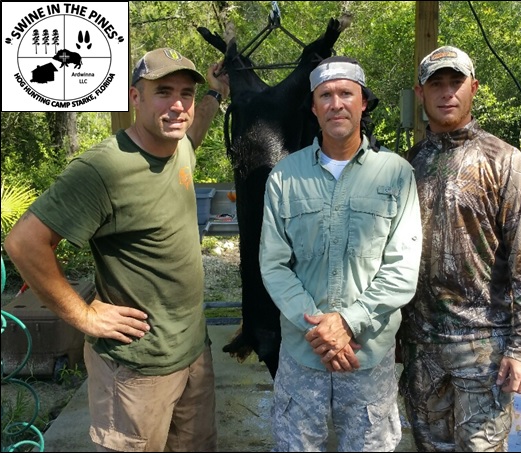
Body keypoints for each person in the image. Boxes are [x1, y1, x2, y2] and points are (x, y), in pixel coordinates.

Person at [4, 47, 229, 451]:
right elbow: (23, 243)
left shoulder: (179, 148)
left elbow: (196, 129)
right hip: (136, 373)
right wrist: (84, 316)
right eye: (163, 92)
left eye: (186, 93)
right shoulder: (102, 170)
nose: (178, 105)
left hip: (194, 355)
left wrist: (215, 93)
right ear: (134, 97)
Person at [258, 56, 421, 452]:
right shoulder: (285, 176)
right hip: (302, 354)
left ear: (363, 102)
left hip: (367, 356)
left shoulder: (396, 174)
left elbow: (403, 267)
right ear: (313, 107)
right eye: (325, 95)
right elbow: (274, 264)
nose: (336, 103)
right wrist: (319, 329)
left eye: (346, 93)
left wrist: (348, 323)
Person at [401, 45, 521, 451]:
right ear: (420, 93)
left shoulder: (505, 161)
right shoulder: (404, 166)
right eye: (437, 84)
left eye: (456, 83)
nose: (447, 93)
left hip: (484, 349)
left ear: (473, 88)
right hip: (420, 350)